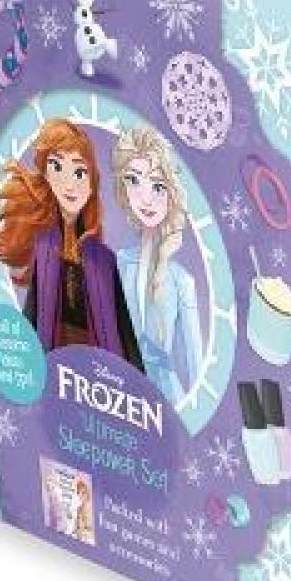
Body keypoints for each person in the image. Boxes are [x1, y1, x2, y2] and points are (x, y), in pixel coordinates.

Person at [0, 117, 143, 368]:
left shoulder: (103, 260)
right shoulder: (44, 247)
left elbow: (124, 332)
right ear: (46, 176)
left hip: (99, 370)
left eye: (79, 172)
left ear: (91, 184)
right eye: (57, 167)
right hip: (55, 363)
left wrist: (137, 381)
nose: (69, 184)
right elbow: (33, 315)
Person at [111, 126, 203, 406]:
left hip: (165, 399)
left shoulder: (181, 281)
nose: (145, 198)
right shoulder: (118, 263)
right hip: (119, 391)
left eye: (158, 186)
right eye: (133, 180)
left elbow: (196, 365)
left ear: (171, 193)